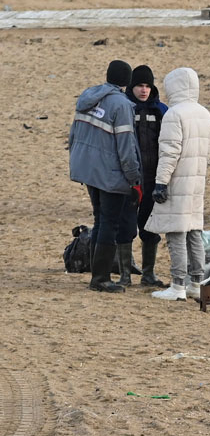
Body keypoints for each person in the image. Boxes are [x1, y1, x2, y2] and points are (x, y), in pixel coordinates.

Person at [69, 60, 141, 294]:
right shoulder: (121, 105)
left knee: (100, 219)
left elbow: (74, 134)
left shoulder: (89, 96)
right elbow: (126, 147)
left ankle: (96, 275)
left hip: (88, 170)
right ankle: (100, 279)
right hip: (110, 173)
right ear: (127, 82)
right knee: (110, 222)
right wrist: (134, 178)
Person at [146, 69, 210, 302]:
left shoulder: (174, 114)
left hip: (177, 180)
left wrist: (161, 182)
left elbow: (169, 153)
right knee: (195, 231)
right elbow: (207, 151)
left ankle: (177, 285)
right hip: (197, 180)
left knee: (176, 232)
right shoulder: (204, 113)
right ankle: (196, 283)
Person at [126, 65, 168, 288]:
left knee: (150, 228)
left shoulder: (161, 110)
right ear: (131, 87)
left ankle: (148, 274)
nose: (144, 90)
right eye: (139, 86)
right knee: (125, 228)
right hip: (129, 180)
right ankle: (125, 274)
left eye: (147, 86)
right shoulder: (124, 109)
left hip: (153, 179)